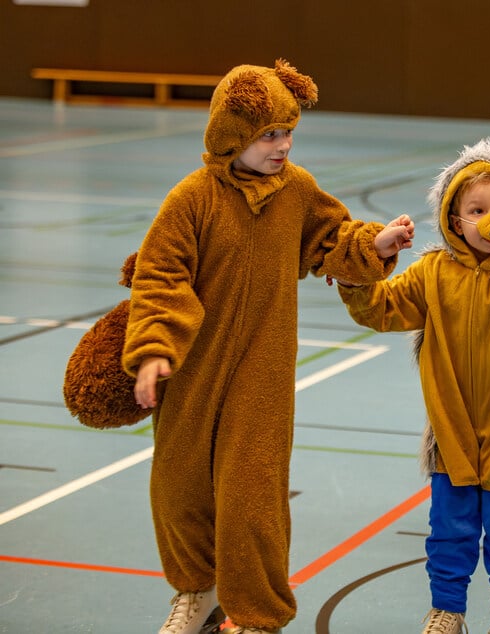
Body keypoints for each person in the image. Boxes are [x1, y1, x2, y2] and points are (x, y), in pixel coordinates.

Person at [122, 59, 414, 634]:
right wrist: (156, 349)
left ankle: (257, 615)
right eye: (269, 135)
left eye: (288, 132)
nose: (283, 146)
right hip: (195, 367)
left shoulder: (297, 191)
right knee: (177, 488)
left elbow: (332, 238)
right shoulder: (193, 199)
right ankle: (198, 592)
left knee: (252, 496)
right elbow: (160, 276)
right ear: (232, 137)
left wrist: (374, 243)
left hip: (263, 367)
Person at [336, 138, 490, 634]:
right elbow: (380, 307)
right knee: (449, 532)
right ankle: (448, 610)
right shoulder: (433, 272)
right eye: (477, 209)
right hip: (451, 428)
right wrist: (364, 267)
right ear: (454, 218)